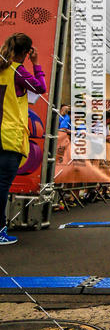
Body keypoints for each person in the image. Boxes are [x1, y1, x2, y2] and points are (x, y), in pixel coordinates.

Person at [0, 33, 47, 245]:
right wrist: (36, 64)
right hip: (9, 135)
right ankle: (0, 231)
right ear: (27, 52)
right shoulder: (17, 71)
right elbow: (40, 88)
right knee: (2, 185)